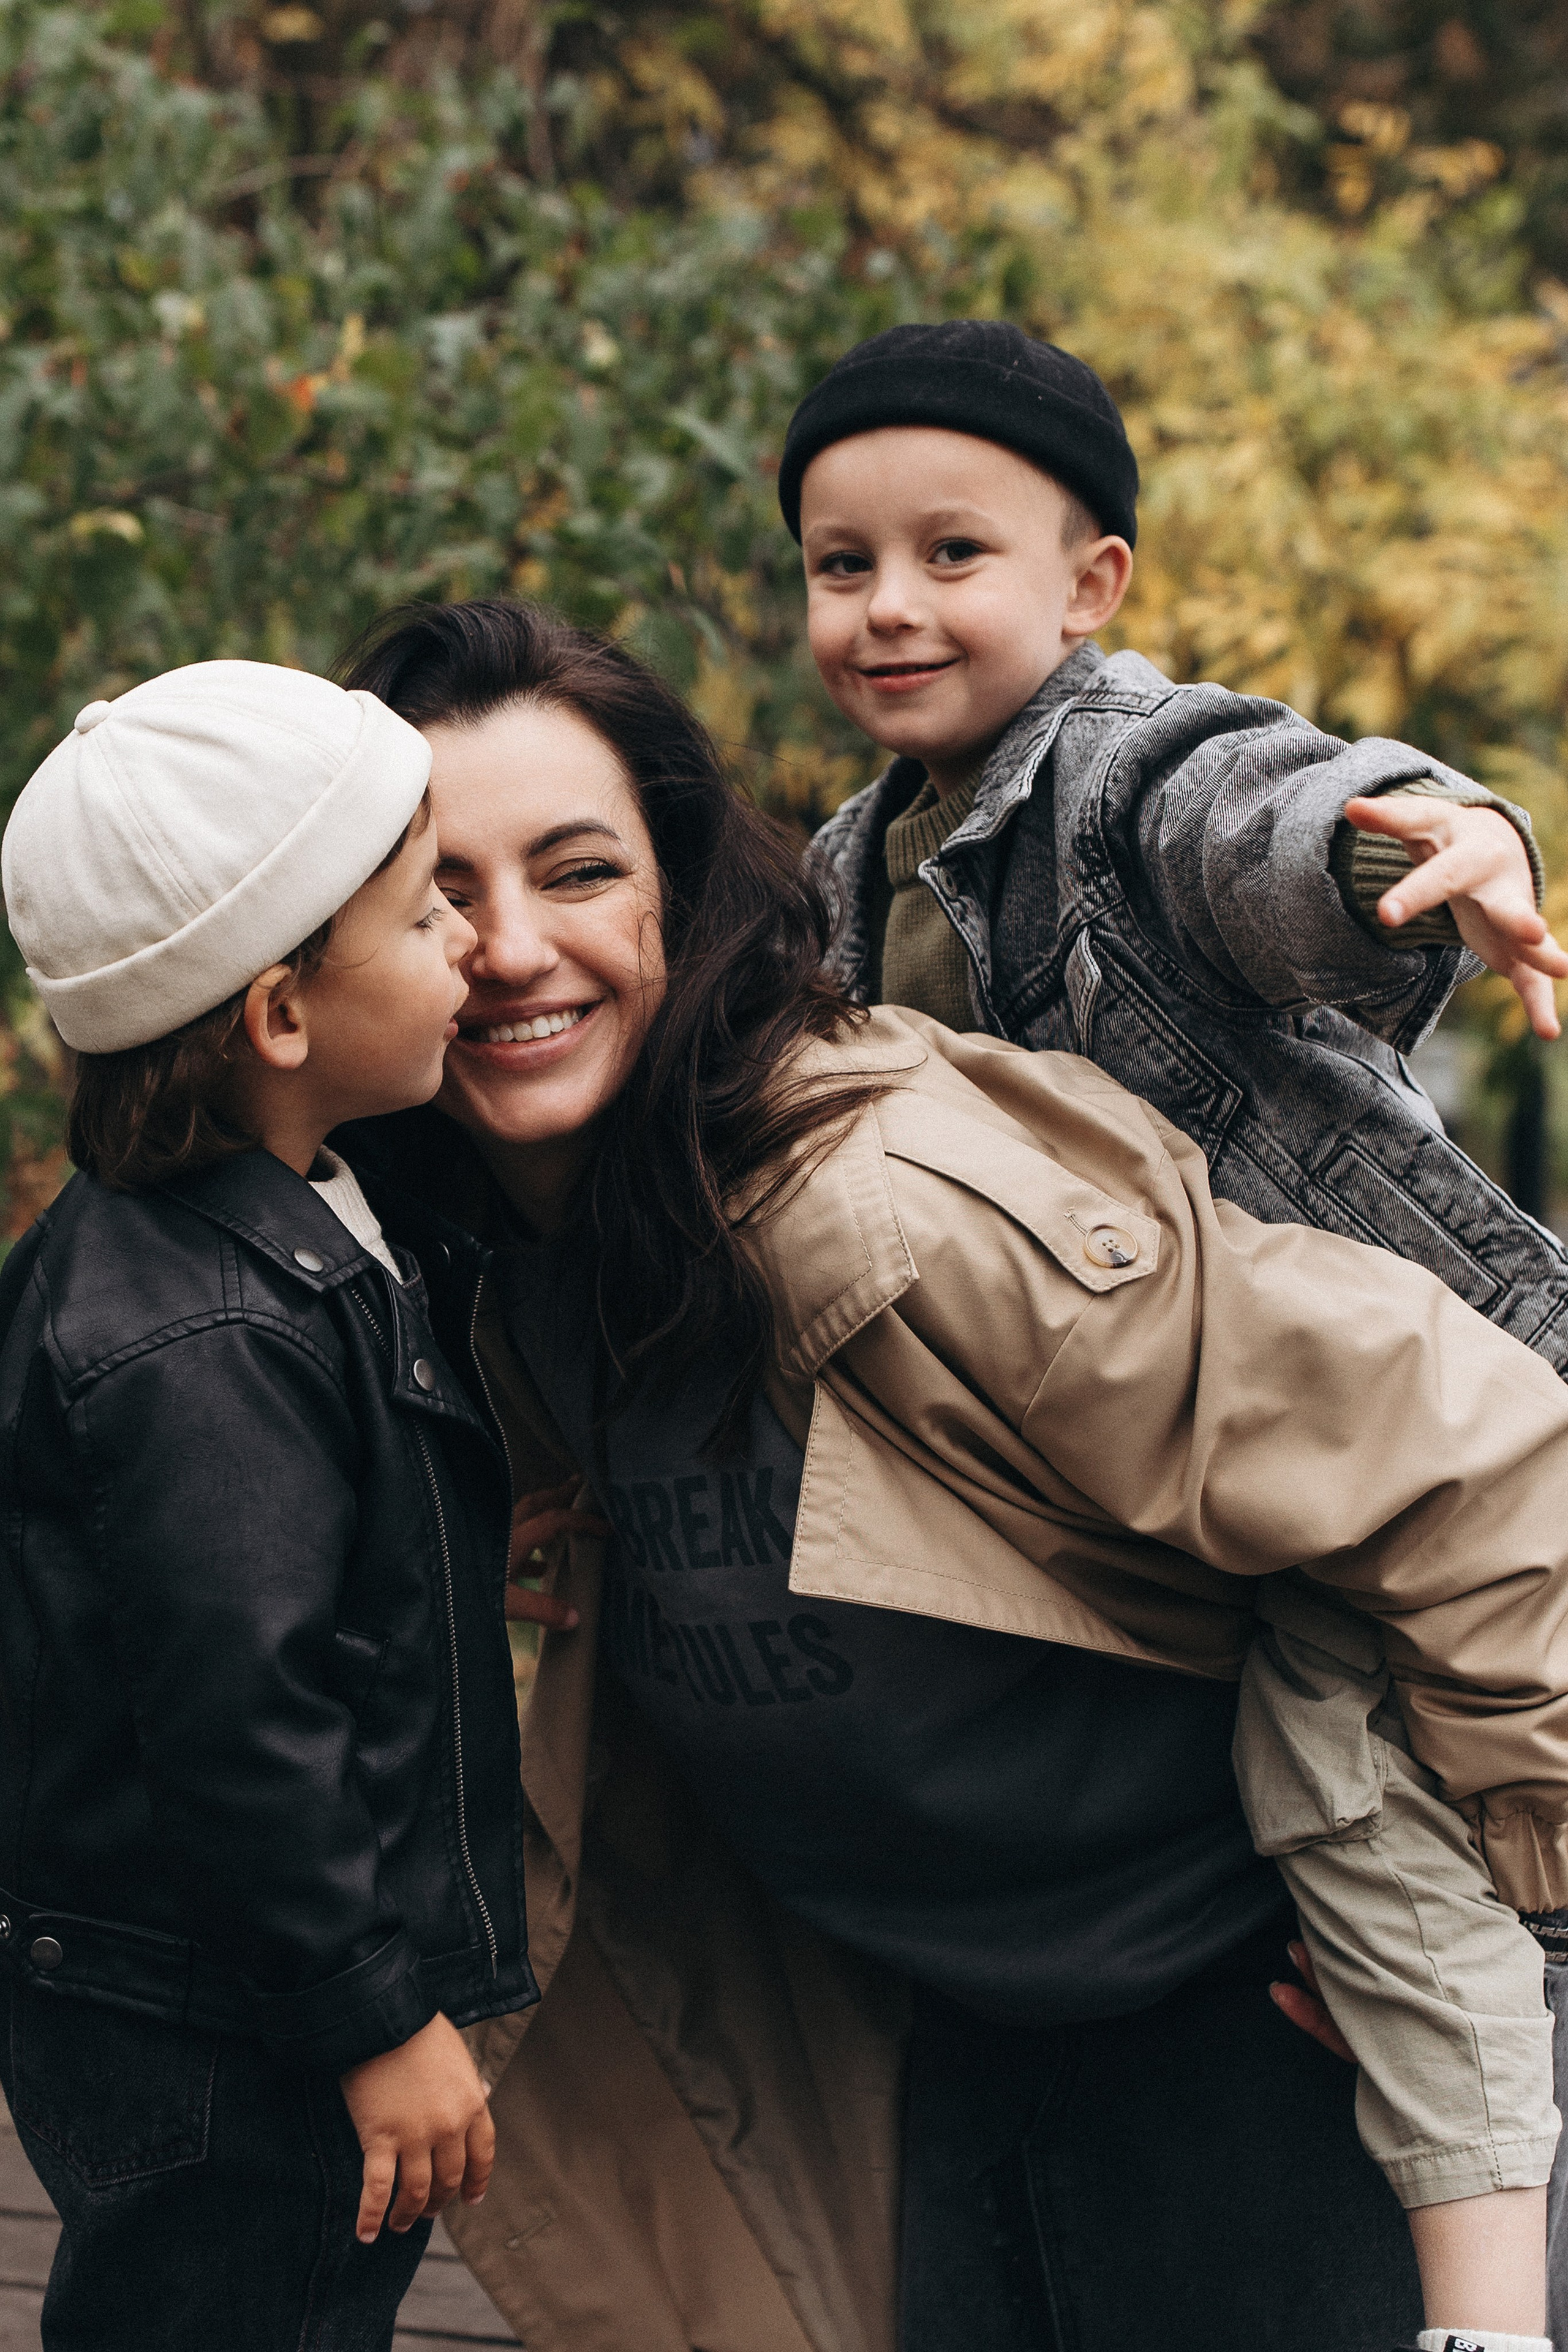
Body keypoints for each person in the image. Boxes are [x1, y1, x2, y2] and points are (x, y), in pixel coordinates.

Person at [333, 598, 1568, 2352]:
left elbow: (1481, 1443)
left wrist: (1547, 1923)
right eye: (441, 893)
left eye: (580, 870)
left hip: (1252, 2036)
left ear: (679, 894)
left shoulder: (888, 1202)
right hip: (947, 2053)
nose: (514, 947)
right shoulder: (506, 1277)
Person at [778, 323, 1568, 2332]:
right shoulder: (848, 871)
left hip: (1362, 1428)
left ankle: (1486, 2304)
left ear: (1091, 583)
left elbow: (1266, 819)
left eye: (952, 553)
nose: (886, 607)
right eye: (837, 562)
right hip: (1160, 1456)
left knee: (1355, 1796)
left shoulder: (1123, 767)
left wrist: (1423, 839)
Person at [0, 662, 537, 2352]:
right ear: (281, 1017)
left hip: (212, 1998)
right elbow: (241, 1721)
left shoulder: (252, 1223)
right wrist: (375, 2019)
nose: (475, 941)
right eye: (422, 908)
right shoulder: (197, 1335)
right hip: (233, 2036)